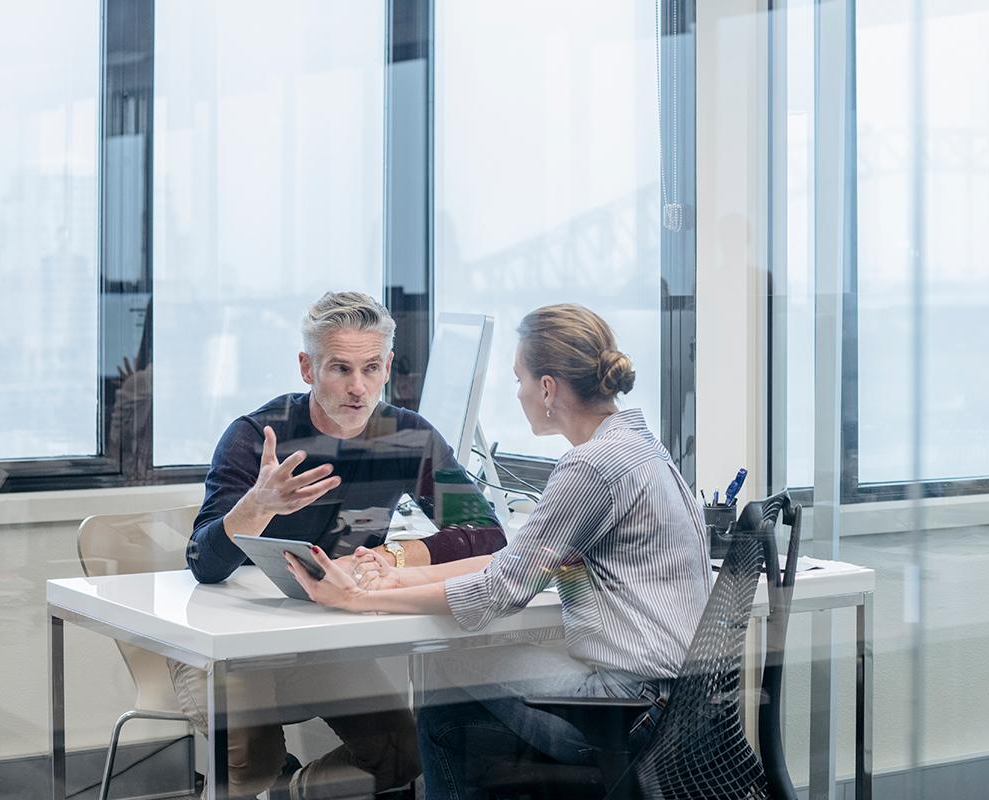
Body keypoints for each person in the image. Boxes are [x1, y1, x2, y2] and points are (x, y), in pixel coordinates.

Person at [283, 303, 711, 800]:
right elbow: (522, 564)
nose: (520, 393)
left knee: (442, 669)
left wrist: (358, 599)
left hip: (628, 710)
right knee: (452, 713)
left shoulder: (590, 468)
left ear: (547, 388)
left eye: (519, 380)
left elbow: (495, 592)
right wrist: (395, 579)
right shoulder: (638, 446)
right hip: (679, 705)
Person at [179, 291, 509, 799]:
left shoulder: (406, 436)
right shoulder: (256, 437)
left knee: (404, 753)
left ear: (388, 367)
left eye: (371, 368)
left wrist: (391, 557)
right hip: (225, 645)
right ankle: (272, 777)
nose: (358, 388)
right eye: (339, 369)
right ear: (307, 368)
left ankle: (295, 790)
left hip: (320, 637)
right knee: (250, 764)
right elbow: (204, 563)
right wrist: (258, 504)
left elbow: (485, 533)